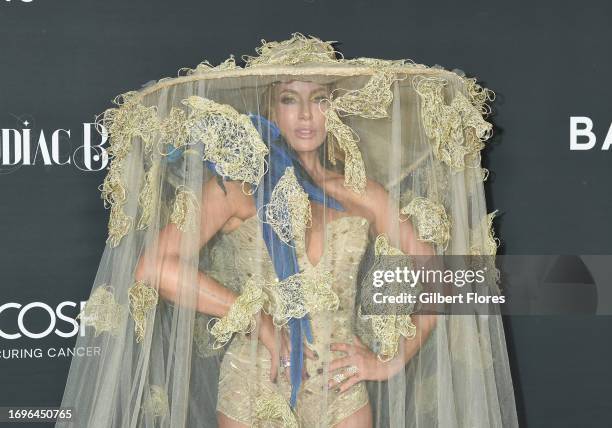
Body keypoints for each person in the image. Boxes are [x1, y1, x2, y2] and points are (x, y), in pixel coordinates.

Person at [57, 33, 519, 428]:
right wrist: (257, 321)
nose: (305, 115)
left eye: (319, 99)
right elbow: (154, 267)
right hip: (256, 382)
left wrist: (392, 358)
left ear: (334, 108)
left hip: (342, 390)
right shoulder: (234, 188)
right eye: (289, 99)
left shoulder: (363, 192)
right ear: (270, 107)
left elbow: (446, 276)